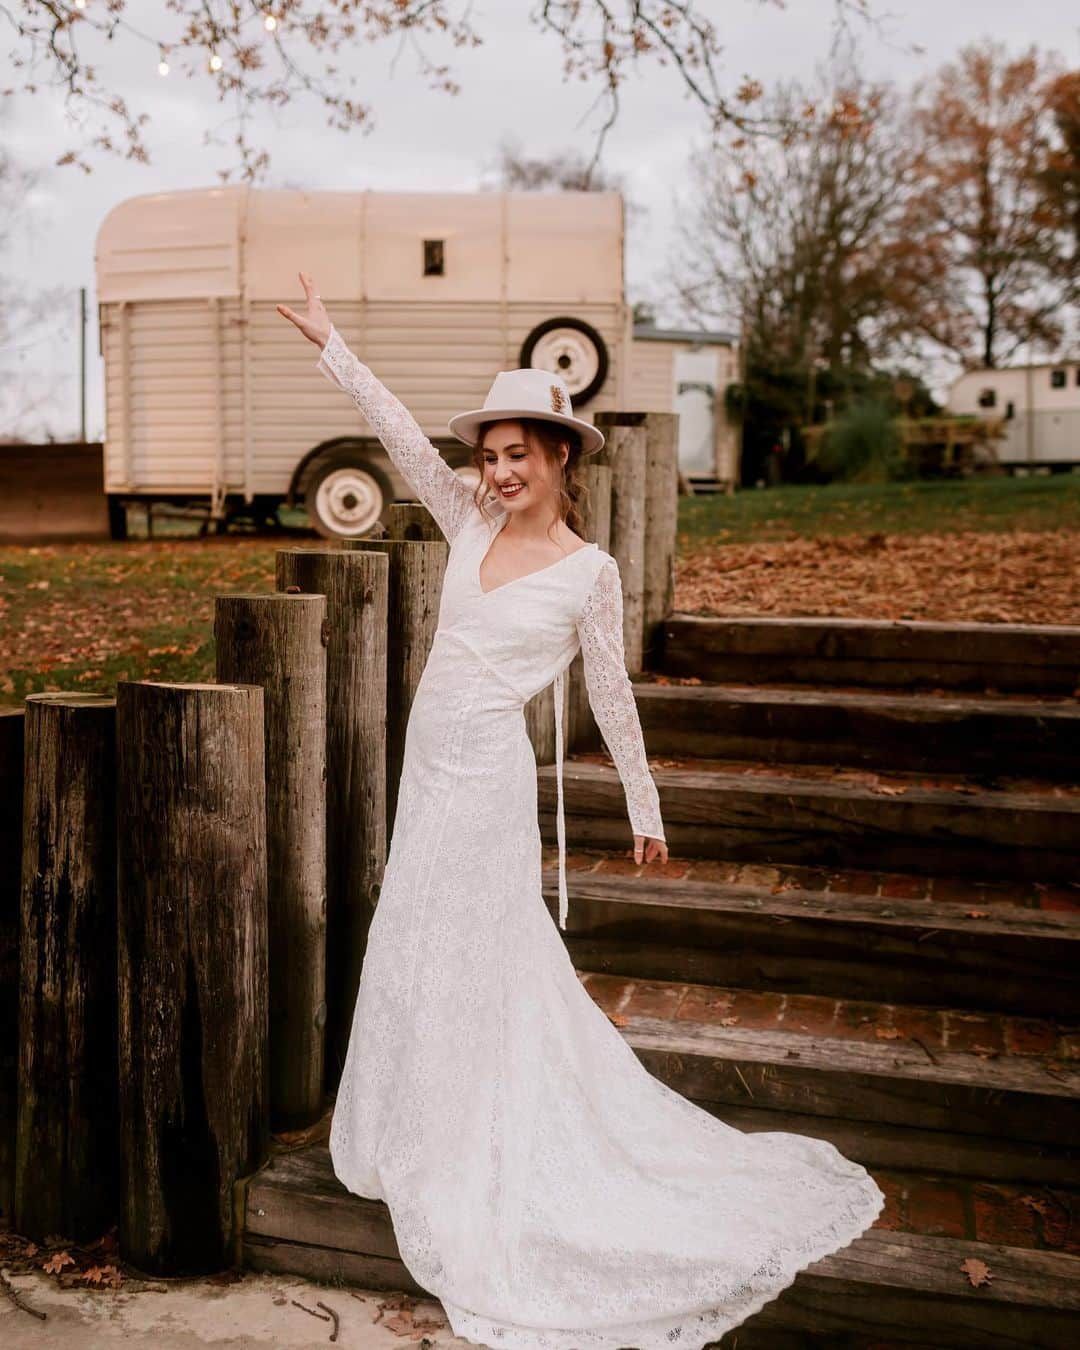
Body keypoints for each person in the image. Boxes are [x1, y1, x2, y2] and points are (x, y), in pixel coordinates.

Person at [278, 272, 883, 1349]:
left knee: (480, 950)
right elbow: (399, 432)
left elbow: (608, 692)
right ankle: (418, 1129)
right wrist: (332, 343)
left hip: (490, 786)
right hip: (432, 770)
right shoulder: (463, 517)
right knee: (416, 938)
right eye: (490, 454)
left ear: (561, 455)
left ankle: (483, 1143)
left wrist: (644, 804)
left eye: (521, 453)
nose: (500, 471)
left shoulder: (589, 572)